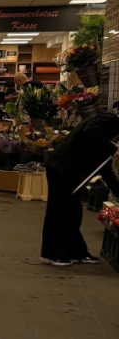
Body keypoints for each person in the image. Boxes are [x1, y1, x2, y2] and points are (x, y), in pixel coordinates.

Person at [40, 110, 119, 266]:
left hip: (72, 174)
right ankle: (52, 254)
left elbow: (106, 170)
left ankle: (76, 252)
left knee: (74, 213)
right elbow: (91, 131)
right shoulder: (109, 119)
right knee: (59, 212)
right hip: (61, 168)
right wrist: (112, 149)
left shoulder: (112, 133)